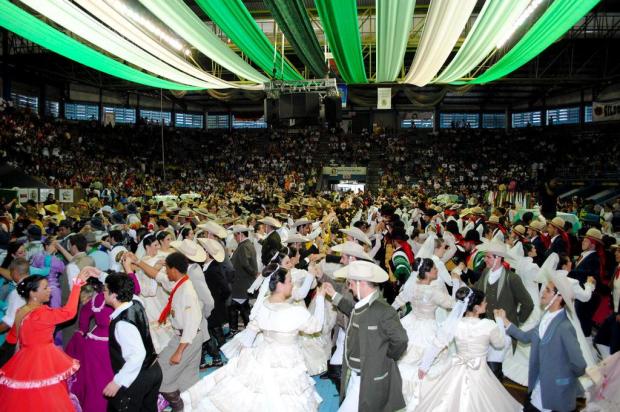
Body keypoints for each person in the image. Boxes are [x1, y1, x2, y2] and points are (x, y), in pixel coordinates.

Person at [180, 264, 325, 411]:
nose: (292, 284)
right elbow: (317, 326)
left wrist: (242, 355)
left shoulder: (264, 305)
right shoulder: (294, 312)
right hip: (286, 361)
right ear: (280, 285)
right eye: (289, 281)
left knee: (258, 397)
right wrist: (320, 299)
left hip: (263, 354)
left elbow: (251, 330)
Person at [0, 268, 93, 411]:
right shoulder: (41, 314)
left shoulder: (21, 311)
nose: (50, 289)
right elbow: (69, 312)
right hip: (43, 363)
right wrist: (77, 285)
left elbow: (13, 339)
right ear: (33, 293)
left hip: (22, 363)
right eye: (45, 287)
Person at [415, 287, 521, 412]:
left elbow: (437, 344)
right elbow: (500, 344)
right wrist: (499, 321)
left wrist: (424, 366)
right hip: (480, 372)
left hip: (456, 369)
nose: (486, 303)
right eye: (484, 302)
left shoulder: (455, 324)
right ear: (476, 308)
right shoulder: (488, 325)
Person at [323, 260, 408, 412]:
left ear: (360, 283)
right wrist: (334, 295)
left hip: (369, 380)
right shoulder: (363, 304)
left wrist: (384, 356)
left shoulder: (384, 310)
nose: (349, 289)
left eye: (350, 284)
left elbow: (401, 340)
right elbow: (354, 310)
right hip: (357, 377)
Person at [498, 267, 587, 412]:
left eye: (547, 290)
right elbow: (526, 338)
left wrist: (562, 378)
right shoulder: (546, 318)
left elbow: (579, 365)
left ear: (558, 297)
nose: (542, 292)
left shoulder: (565, 327)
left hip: (555, 393)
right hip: (539, 389)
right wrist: (506, 322)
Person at [391, 257, 458, 411]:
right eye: (434, 269)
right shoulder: (433, 291)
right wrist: (458, 287)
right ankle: (421, 396)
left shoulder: (412, 288)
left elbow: (397, 302)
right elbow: (452, 304)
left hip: (411, 323)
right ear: (427, 273)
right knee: (428, 362)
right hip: (428, 327)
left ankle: (399, 391)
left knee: (405, 361)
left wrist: (386, 316)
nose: (437, 270)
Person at [473, 239, 534, 380]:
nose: (485, 260)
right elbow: (476, 291)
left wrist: (516, 320)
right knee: (484, 367)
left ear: (498, 258)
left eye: (488, 257)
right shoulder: (485, 273)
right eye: (485, 257)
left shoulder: (512, 279)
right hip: (485, 328)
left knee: (493, 369)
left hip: (502, 332)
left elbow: (528, 304)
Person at [103, 272, 163, 412]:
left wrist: (117, 382)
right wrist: (100, 275)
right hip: (154, 370)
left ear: (114, 295)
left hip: (138, 377)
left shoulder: (122, 324)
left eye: (105, 290)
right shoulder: (136, 302)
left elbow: (137, 354)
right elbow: (125, 287)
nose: (102, 293)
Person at [157, 252, 206, 411]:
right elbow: (159, 277)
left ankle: (179, 408)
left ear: (174, 270)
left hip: (187, 339)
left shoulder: (187, 291)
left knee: (163, 378)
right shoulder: (179, 282)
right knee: (187, 381)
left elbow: (191, 326)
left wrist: (179, 352)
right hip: (186, 337)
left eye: (167, 269)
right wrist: (138, 262)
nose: (166, 272)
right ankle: (191, 407)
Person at [198, 238, 230, 368]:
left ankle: (220, 356)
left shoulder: (214, 269)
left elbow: (226, 288)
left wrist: (218, 300)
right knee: (216, 331)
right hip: (212, 305)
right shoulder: (208, 267)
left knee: (213, 332)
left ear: (208, 254)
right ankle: (225, 354)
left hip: (214, 306)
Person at [229, 225, 258, 335]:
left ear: (240, 235)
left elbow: (245, 264)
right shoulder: (247, 244)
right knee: (242, 307)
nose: (235, 238)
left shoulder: (243, 246)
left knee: (239, 307)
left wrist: (253, 274)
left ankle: (242, 330)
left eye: (235, 236)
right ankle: (247, 329)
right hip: (243, 282)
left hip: (241, 282)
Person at [0, 258, 29, 366]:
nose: (10, 275)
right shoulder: (37, 284)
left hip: (19, 339)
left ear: (15, 273)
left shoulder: (17, 293)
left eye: (11, 272)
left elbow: (9, 322)